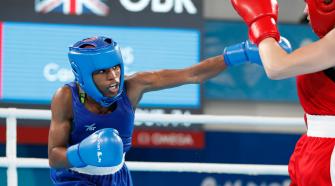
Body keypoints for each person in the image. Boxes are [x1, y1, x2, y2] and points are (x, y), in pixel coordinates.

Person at [47, 36, 291, 185]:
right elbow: (54, 156)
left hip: (117, 175)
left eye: (115, 68)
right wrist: (83, 153)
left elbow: (192, 74)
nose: (113, 77)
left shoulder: (134, 86)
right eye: (102, 72)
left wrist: (240, 54)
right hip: (74, 177)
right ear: (83, 76)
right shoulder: (66, 97)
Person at [230, 0, 335, 185]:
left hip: (328, 152)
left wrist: (260, 22)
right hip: (316, 147)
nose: (305, 10)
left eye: (308, 2)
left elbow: (277, 67)